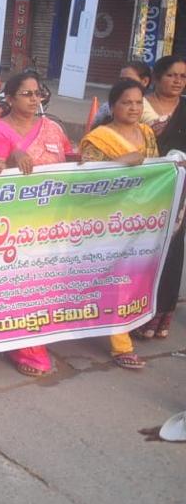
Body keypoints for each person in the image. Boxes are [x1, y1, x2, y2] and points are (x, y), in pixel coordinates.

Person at [0, 72, 72, 377]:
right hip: (18, 224)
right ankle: (25, 345)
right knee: (23, 284)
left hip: (55, 222)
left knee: (48, 283)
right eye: (26, 93)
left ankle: (38, 334)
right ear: (9, 99)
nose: (35, 99)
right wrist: (11, 157)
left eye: (38, 93)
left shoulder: (52, 128)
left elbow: (73, 158)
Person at [78, 79, 156, 368]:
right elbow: (88, 182)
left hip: (144, 220)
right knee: (113, 278)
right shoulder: (98, 138)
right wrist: (123, 162)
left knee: (132, 277)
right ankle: (120, 344)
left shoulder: (147, 133)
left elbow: (155, 172)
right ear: (113, 106)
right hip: (107, 221)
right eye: (127, 102)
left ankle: (116, 324)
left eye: (138, 102)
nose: (134, 108)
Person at [136, 55, 186, 339]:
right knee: (141, 249)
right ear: (156, 77)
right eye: (172, 75)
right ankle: (135, 310)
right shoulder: (137, 104)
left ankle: (162, 311)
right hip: (142, 191)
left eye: (182, 77)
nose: (178, 81)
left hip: (177, 191)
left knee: (172, 247)